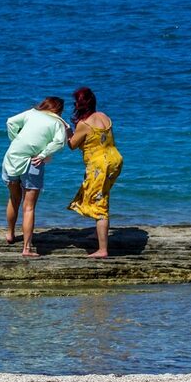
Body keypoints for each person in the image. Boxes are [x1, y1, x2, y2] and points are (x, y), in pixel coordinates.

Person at [2, 97, 68, 257]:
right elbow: (60, 142)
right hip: (34, 161)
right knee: (29, 207)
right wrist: (44, 153)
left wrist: (15, 139)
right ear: (58, 110)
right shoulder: (58, 122)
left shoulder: (31, 113)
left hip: (12, 157)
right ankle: (27, 249)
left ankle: (10, 234)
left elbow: (10, 122)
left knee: (13, 198)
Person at [66, 87, 124, 258]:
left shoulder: (84, 124)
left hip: (100, 165)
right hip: (115, 160)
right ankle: (99, 233)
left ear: (80, 104)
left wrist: (67, 130)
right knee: (101, 196)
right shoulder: (104, 116)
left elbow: (72, 145)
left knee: (100, 206)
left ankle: (102, 250)